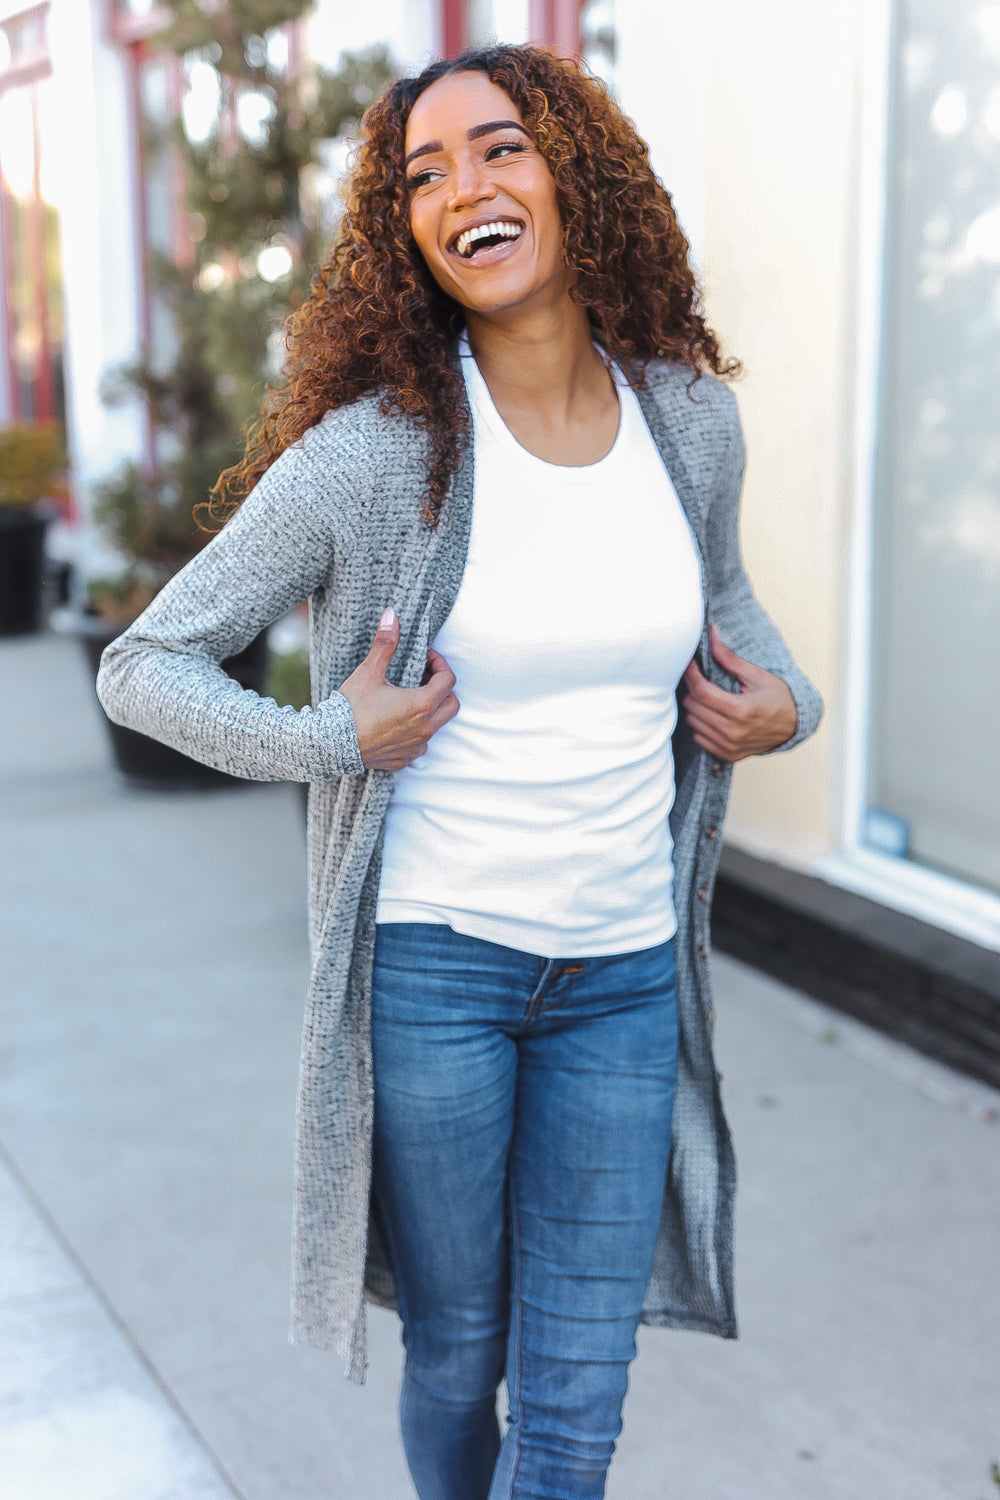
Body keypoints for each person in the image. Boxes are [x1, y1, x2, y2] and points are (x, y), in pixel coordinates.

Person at [97, 42, 822, 1500]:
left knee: (575, 1397)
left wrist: (785, 710)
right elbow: (144, 663)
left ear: (575, 176)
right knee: (455, 1354)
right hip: (437, 973)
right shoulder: (378, 456)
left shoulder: (687, 420)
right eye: (423, 174)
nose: (464, 189)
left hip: (622, 970)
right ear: (403, 231)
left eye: (499, 149)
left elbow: (731, 613)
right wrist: (325, 737)